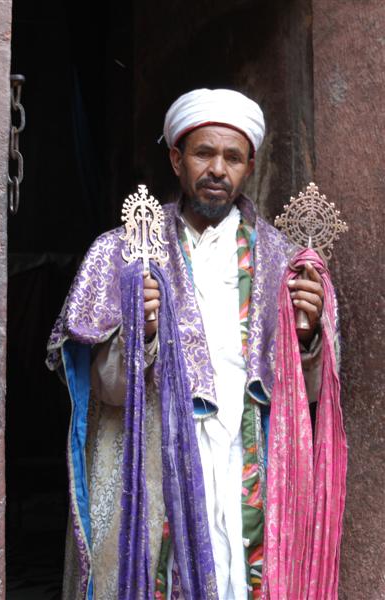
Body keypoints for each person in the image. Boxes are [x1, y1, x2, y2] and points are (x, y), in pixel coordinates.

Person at [47, 89, 340, 600]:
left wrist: (307, 336)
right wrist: (143, 334)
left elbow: (311, 398)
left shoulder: (285, 262)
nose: (217, 169)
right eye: (204, 153)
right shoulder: (120, 252)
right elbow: (105, 393)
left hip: (250, 472)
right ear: (176, 160)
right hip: (156, 470)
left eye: (232, 157)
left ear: (250, 165)